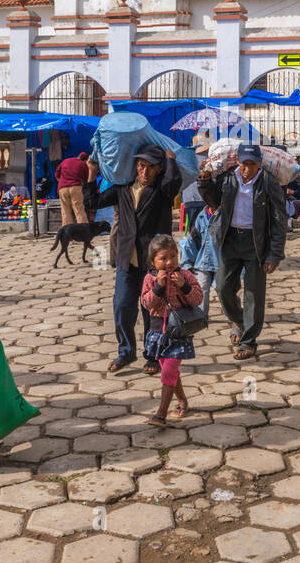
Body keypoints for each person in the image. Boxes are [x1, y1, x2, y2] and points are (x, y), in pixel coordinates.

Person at [85, 145, 182, 374]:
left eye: (150, 167)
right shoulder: (122, 189)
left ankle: (153, 354)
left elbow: (173, 183)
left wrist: (171, 160)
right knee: (121, 306)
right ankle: (126, 352)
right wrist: (91, 172)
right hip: (127, 259)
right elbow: (92, 203)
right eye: (141, 166)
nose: (145, 172)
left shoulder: (162, 191)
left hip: (153, 263)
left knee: (151, 310)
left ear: (159, 169)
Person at [197, 144, 288, 361]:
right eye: (244, 164)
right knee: (222, 287)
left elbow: (278, 219)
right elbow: (214, 201)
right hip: (229, 240)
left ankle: (248, 341)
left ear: (259, 164)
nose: (247, 169)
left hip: (256, 243)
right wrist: (204, 180)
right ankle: (238, 320)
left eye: (252, 164)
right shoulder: (228, 178)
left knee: (253, 295)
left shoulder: (268, 182)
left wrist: (274, 254)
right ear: (237, 161)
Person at [140, 234, 203, 426]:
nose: (169, 262)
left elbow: (198, 299)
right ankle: (182, 401)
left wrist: (183, 286)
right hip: (158, 333)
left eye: (173, 256)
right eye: (163, 258)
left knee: (168, 370)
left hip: (179, 333)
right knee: (170, 372)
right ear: (153, 261)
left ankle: (161, 414)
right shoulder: (150, 279)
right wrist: (159, 286)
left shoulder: (186, 276)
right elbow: (145, 302)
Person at [179, 202, 218, 317]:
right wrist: (186, 263)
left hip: (220, 263)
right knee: (202, 288)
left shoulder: (225, 215)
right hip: (203, 262)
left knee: (222, 289)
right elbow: (193, 239)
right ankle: (201, 317)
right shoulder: (201, 216)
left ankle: (234, 314)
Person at [55, 151, 91, 225]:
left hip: (62, 188)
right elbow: (86, 179)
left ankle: (67, 233)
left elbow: (57, 175)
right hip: (76, 187)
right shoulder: (83, 164)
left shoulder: (65, 161)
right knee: (79, 210)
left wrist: (63, 181)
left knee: (65, 211)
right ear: (85, 160)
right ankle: (83, 232)